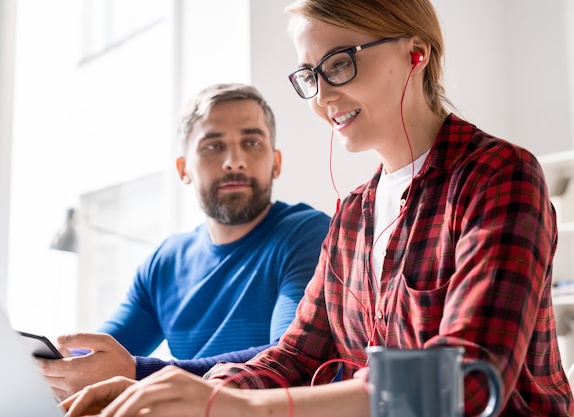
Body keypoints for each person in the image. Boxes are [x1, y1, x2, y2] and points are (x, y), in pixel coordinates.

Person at [60, 1, 574, 416]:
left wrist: (238, 407)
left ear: (416, 52)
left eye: (339, 63)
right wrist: (195, 393)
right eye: (310, 74)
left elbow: (467, 380)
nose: (322, 95)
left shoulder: (499, 174)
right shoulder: (352, 216)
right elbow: (294, 353)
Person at [39, 82, 331, 401]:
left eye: (251, 142)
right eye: (213, 146)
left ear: (276, 163)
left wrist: (139, 373)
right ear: (183, 169)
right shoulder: (165, 262)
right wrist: (52, 363)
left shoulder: (307, 234)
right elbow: (101, 352)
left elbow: (290, 358)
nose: (235, 160)